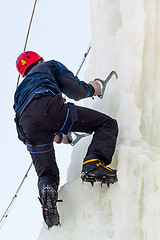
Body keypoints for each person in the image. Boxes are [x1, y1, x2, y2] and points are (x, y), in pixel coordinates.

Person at [14, 51, 118, 228]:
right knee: (107, 124)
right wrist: (94, 88)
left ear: (23, 72)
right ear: (39, 59)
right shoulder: (48, 66)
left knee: (46, 174)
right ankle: (93, 164)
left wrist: (58, 137)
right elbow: (75, 90)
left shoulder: (19, 92)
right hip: (48, 106)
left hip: (28, 127)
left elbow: (26, 126)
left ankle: (48, 192)